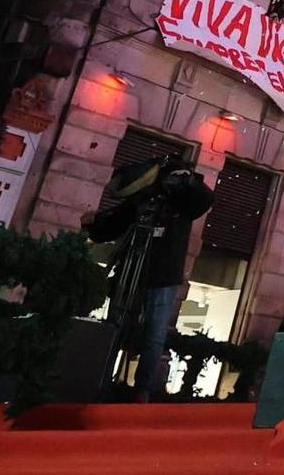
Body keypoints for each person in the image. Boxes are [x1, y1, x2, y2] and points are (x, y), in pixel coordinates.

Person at [84, 156, 214, 402]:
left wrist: (189, 181)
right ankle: (100, 382)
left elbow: (205, 198)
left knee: (154, 335)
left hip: (164, 276)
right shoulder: (143, 199)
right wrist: (93, 225)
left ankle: (142, 390)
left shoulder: (184, 203)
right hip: (132, 271)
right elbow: (114, 224)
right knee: (115, 327)